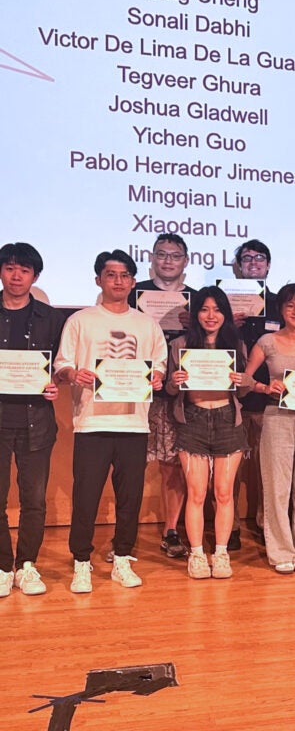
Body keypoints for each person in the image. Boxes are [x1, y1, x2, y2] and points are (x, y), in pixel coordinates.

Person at [54, 250, 167, 593]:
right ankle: (82, 562)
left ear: (133, 282)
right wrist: (75, 372)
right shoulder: (80, 320)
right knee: (86, 495)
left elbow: (159, 364)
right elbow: (60, 366)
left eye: (124, 276)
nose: (118, 281)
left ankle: (122, 558)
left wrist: (157, 377)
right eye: (110, 275)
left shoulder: (147, 324)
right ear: (98, 280)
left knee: (129, 497)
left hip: (133, 422)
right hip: (92, 422)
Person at [165, 286, 250, 580]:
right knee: (197, 493)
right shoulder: (180, 345)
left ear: (225, 314)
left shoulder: (236, 345)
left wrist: (243, 380)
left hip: (227, 418)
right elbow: (169, 389)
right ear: (195, 313)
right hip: (193, 420)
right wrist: (175, 381)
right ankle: (198, 553)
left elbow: (245, 389)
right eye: (204, 309)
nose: (210, 316)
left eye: (217, 310)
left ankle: (222, 553)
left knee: (224, 493)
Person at [244, 284, 295, 574]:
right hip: (277, 416)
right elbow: (243, 378)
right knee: (277, 487)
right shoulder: (267, 341)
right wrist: (265, 386)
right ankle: (280, 551)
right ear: (281, 309)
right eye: (291, 305)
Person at [0, 243, 65, 597]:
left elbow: (62, 367)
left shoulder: (51, 319)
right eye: (9, 268)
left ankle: (26, 566)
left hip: (36, 421)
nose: (16, 276)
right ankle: (0, 566)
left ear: (35, 276)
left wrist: (56, 383)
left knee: (34, 500)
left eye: (24, 270)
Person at [130, 233, 196, 561]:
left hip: (178, 394)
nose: (168, 260)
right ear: (152, 258)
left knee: (172, 464)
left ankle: (171, 530)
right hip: (133, 389)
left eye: (175, 255)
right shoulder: (133, 292)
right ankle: (123, 533)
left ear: (186, 261)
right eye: (162, 254)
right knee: (128, 462)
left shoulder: (197, 300)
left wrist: (193, 325)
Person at [230, 239, 280, 550]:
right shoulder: (221, 303)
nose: (253, 263)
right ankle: (230, 526)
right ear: (238, 265)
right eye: (246, 258)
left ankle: (265, 524)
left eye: (259, 258)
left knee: (268, 469)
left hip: (270, 399)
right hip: (231, 399)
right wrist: (229, 327)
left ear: (268, 265)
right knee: (229, 470)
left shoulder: (279, 303)